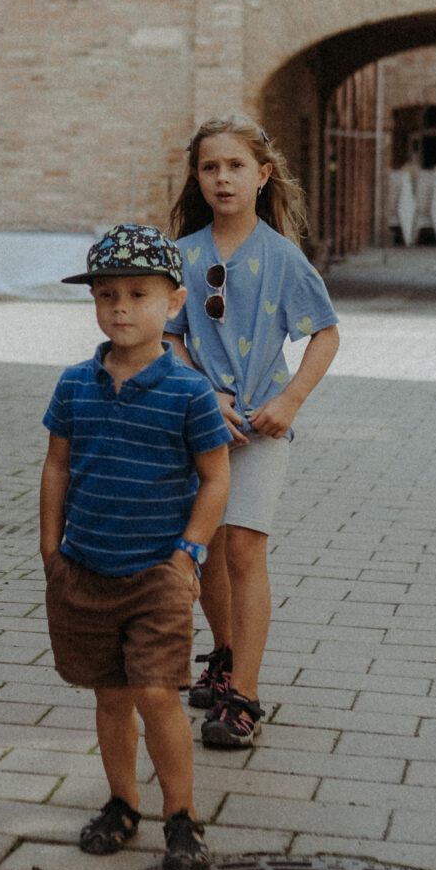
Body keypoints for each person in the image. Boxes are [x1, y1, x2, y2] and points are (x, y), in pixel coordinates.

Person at [42, 224, 231, 870]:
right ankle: (123, 802)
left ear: (173, 302)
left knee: (155, 692)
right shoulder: (74, 384)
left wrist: (188, 553)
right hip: (86, 568)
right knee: (110, 694)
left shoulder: (189, 392)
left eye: (137, 294)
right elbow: (57, 465)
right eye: (107, 295)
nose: (120, 308)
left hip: (157, 574)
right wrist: (50, 546)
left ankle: (183, 816)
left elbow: (215, 478)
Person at [163, 116, 339, 749]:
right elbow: (169, 337)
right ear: (197, 177)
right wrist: (202, 393)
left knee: (243, 549)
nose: (223, 178)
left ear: (263, 176)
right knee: (206, 546)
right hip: (199, 426)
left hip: (261, 430)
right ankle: (225, 651)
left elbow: (326, 334)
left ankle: (245, 695)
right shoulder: (182, 256)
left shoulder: (283, 259)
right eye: (210, 167)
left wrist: (290, 401)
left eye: (236, 166)